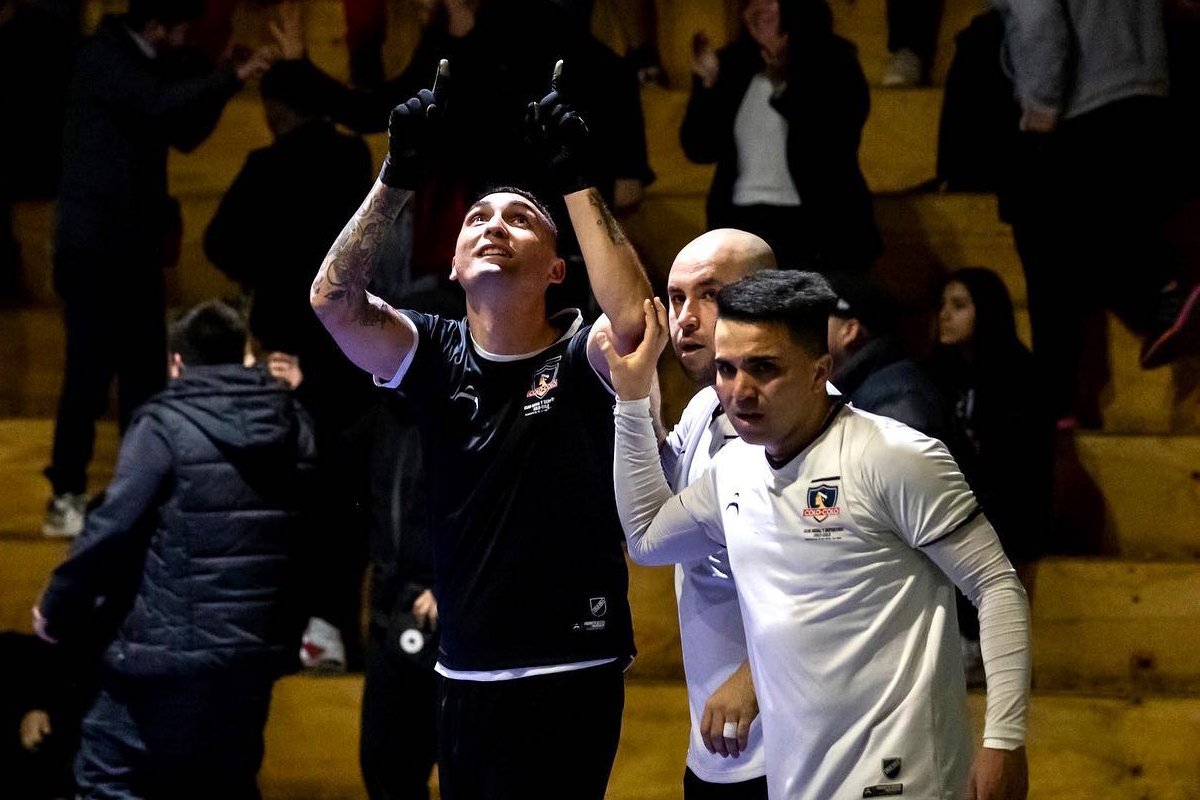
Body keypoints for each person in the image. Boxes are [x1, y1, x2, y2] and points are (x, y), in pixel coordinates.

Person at [309, 64, 653, 799]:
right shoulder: (431, 352)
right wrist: (397, 175)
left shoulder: (582, 351)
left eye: (519, 218)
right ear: (457, 265)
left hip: (573, 666)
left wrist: (574, 180)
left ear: (558, 268)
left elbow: (635, 323)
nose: (494, 224)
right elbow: (333, 302)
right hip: (463, 669)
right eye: (477, 220)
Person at [600, 270, 1032, 800]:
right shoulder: (734, 470)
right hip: (795, 779)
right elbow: (645, 538)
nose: (740, 391)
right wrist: (630, 400)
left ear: (819, 370)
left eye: (764, 369)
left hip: (908, 776)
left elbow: (996, 588)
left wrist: (1004, 740)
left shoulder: (894, 458)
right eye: (726, 369)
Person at [33, 300, 318, 800]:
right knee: (225, 784)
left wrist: (56, 608)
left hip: (165, 658)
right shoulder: (293, 423)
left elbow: (111, 530)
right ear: (244, 356)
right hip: (250, 660)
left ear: (177, 363)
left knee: (108, 778)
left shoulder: (164, 424)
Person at [42, 0, 273, 538]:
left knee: (145, 371)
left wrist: (231, 81)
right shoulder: (105, 56)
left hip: (132, 247)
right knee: (89, 369)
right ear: (156, 24)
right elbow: (156, 105)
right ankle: (65, 494)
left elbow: (184, 130)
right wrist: (226, 75)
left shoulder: (141, 59)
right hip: (94, 249)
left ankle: (138, 488)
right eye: (181, 28)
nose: (185, 40)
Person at [993, 0, 1200, 426]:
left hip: (1084, 99)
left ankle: (1153, 306)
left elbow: (1040, 22)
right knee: (1108, 223)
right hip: (1149, 83)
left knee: (1054, 248)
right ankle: (1159, 301)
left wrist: (1040, 105)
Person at [661, 229, 775, 799]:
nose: (685, 317)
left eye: (708, 294)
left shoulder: (805, 428)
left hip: (795, 751)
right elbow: (650, 519)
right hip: (715, 754)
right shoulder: (705, 405)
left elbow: (854, 585)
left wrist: (757, 676)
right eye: (675, 297)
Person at [681, 0, 880, 274]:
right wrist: (708, 87)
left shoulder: (835, 59)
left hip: (815, 227)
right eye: (751, 1)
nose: (759, 8)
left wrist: (782, 83)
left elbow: (834, 139)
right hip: (740, 221)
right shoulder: (731, 63)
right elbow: (698, 148)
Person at [928, 268, 1053, 572]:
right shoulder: (937, 372)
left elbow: (1021, 470)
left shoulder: (1021, 375)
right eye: (943, 305)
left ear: (986, 311)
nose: (945, 315)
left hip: (1006, 515)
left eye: (958, 306)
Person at [825, 271, 953, 446]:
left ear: (850, 331)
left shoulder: (895, 397)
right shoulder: (858, 388)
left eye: (817, 321)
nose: (805, 332)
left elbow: (907, 472)